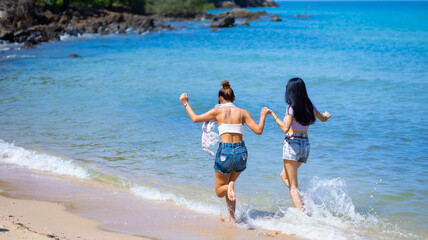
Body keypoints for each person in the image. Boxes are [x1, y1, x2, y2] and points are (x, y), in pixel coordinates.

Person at [179, 80, 269, 221]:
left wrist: (185, 102)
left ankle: (229, 187)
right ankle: (232, 218)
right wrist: (263, 115)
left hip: (225, 153)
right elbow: (258, 130)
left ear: (220, 99)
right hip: (241, 152)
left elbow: (195, 118)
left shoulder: (218, 111)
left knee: (220, 190)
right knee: (229, 186)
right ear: (233, 98)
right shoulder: (243, 112)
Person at [268, 77, 331, 212]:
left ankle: (303, 217)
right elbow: (323, 119)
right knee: (284, 176)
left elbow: (285, 128)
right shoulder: (309, 106)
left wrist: (273, 115)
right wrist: (327, 115)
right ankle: (304, 201)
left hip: (292, 144)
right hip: (305, 146)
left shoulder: (291, 107)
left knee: (293, 187)